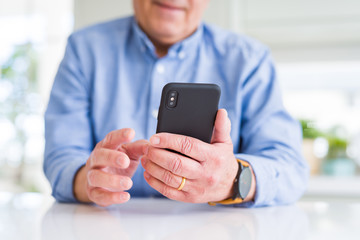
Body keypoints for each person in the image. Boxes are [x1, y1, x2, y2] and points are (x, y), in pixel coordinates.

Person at [44, 0, 309, 207]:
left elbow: (289, 168)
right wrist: (89, 180)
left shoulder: (250, 60)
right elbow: (61, 158)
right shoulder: (83, 49)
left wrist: (233, 179)